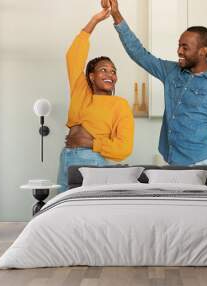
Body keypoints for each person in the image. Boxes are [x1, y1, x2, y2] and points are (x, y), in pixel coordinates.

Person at [102, 0, 207, 191]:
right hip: (173, 164)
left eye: (185, 47)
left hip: (203, 168)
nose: (179, 51)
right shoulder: (172, 72)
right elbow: (140, 54)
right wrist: (116, 15)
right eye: (179, 45)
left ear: (203, 51)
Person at [57, 8, 135, 193]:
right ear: (91, 76)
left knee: (87, 210)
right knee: (62, 208)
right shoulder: (81, 91)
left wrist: (93, 143)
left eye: (113, 71)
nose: (110, 74)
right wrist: (95, 20)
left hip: (93, 161)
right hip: (66, 157)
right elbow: (73, 55)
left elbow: (124, 147)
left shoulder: (119, 105)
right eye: (104, 70)